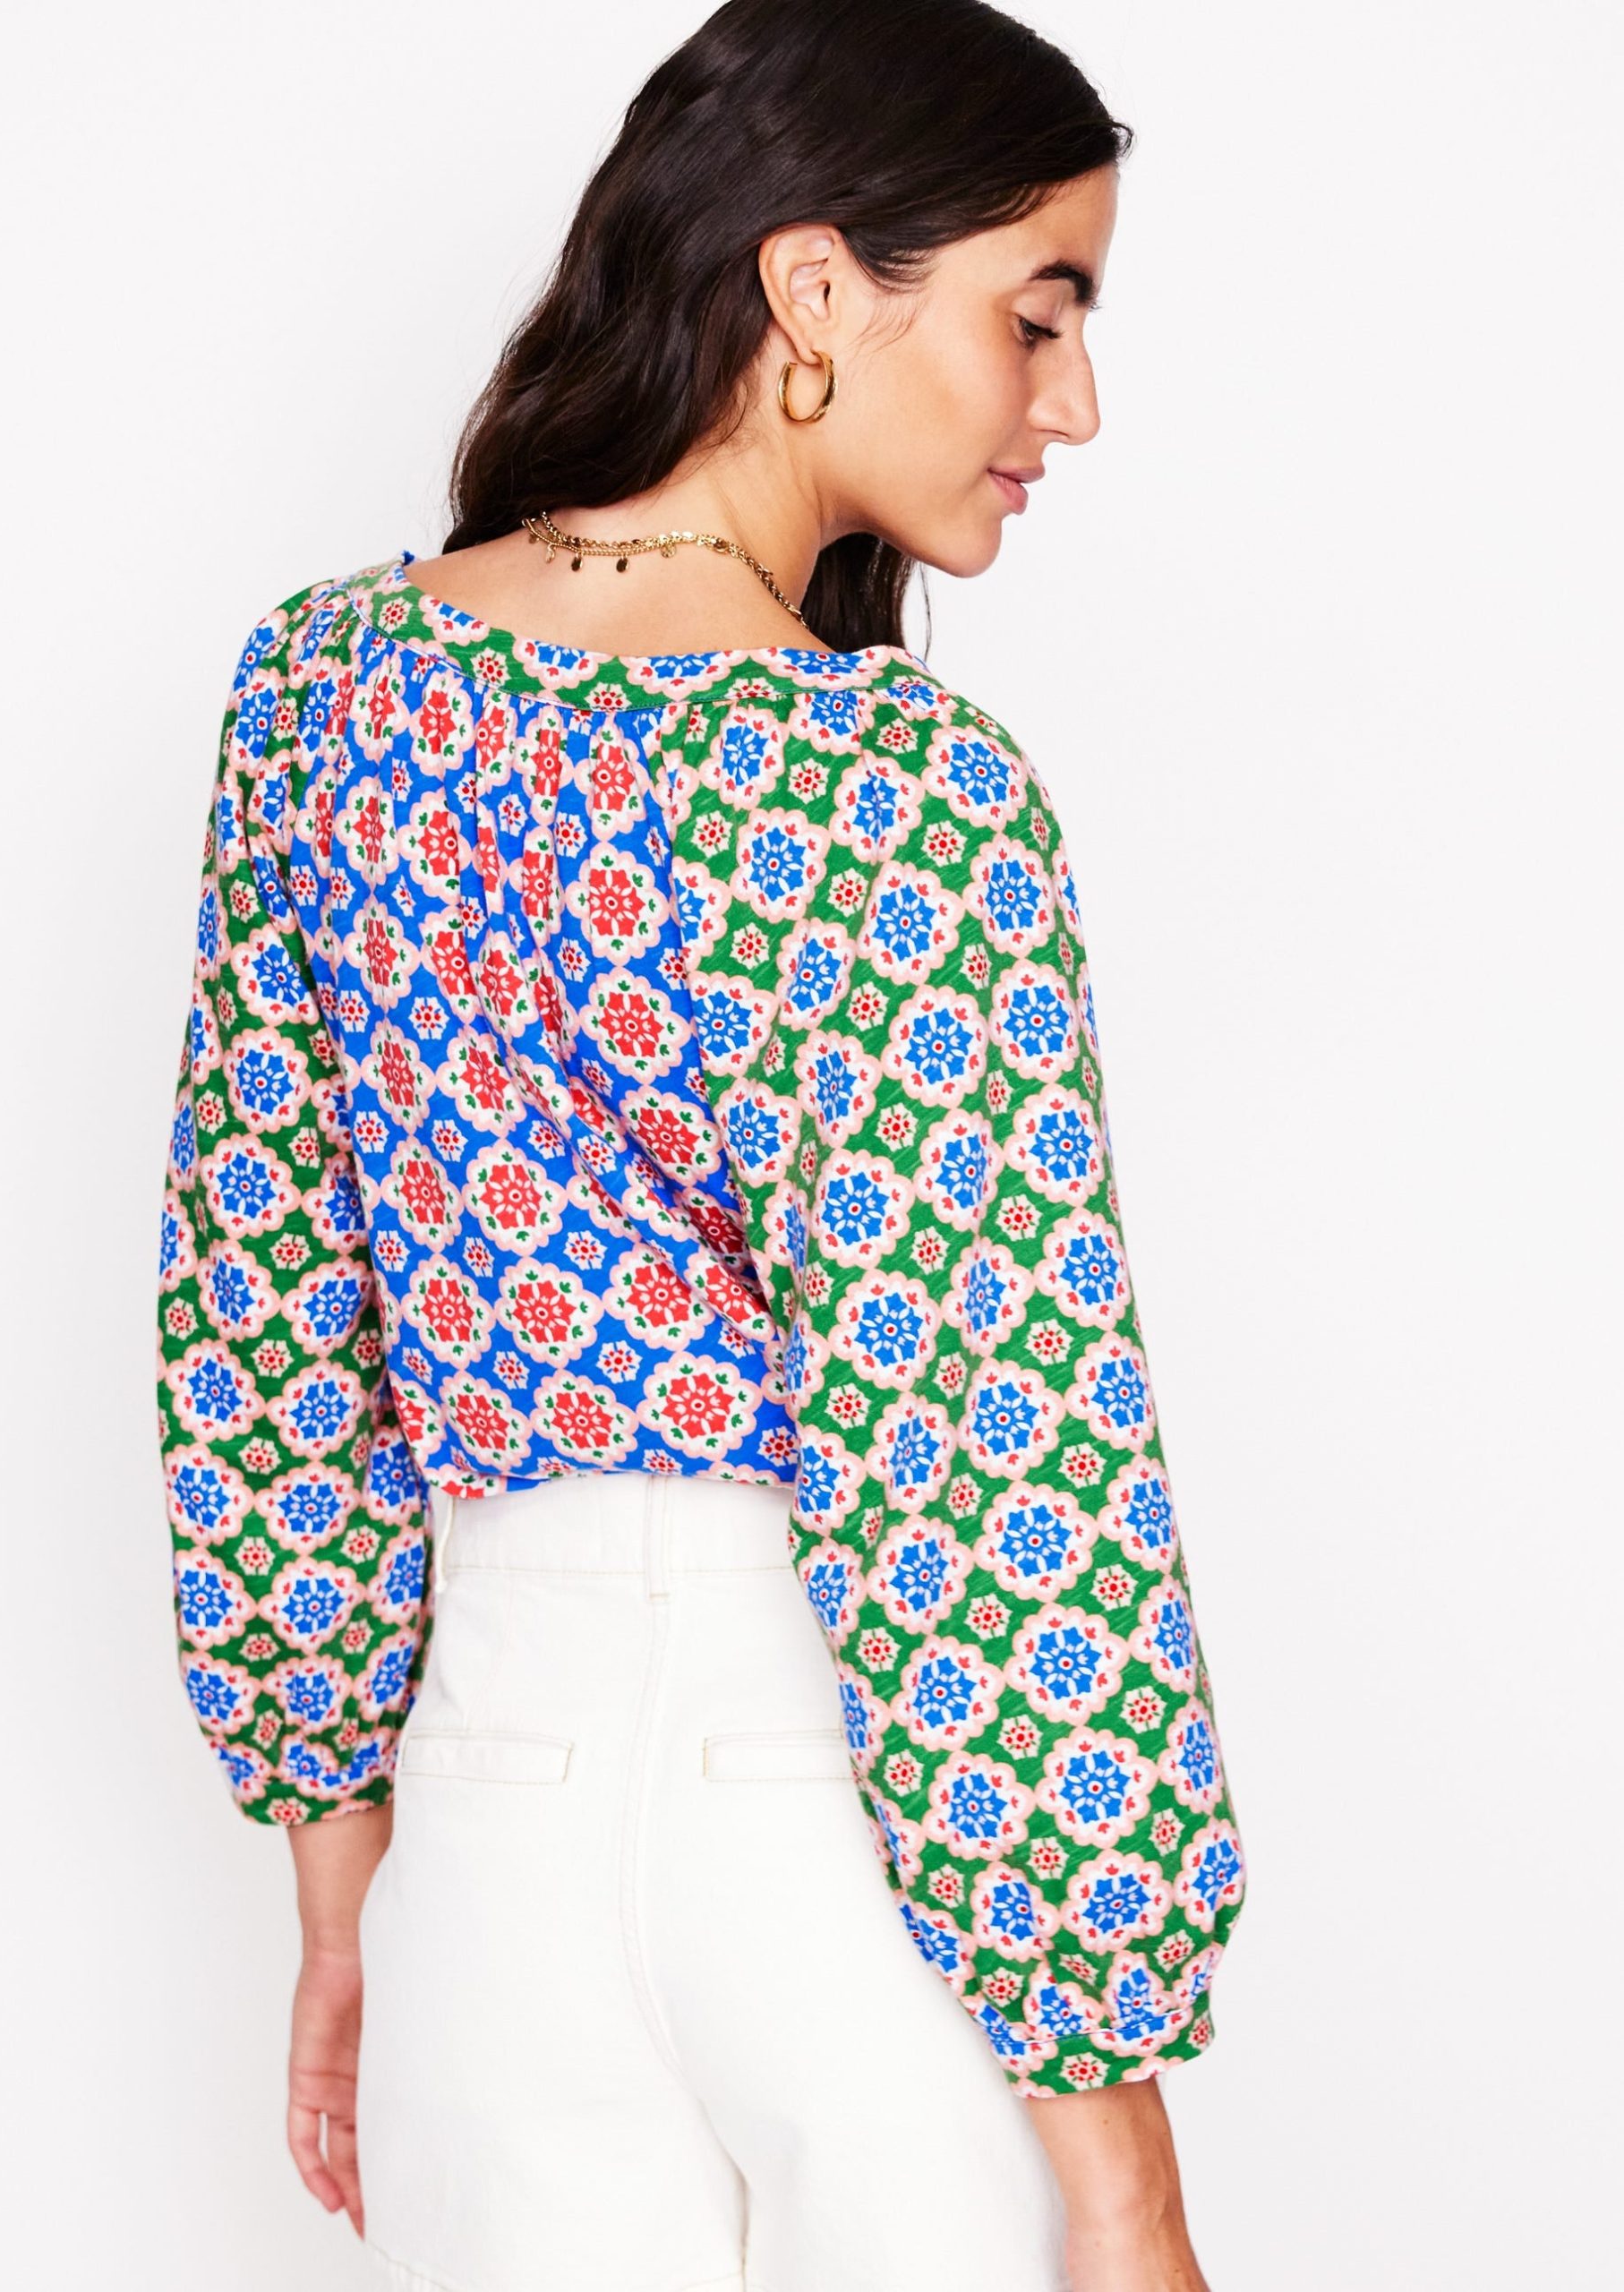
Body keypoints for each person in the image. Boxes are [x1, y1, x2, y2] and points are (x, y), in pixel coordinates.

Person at [154, 4, 1248, 2287]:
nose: (1072, 406)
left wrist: (345, 1902)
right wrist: (1127, 2176)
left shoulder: (323, 696)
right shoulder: (896, 799)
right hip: (839, 1809)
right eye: (1038, 314)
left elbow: (263, 1338)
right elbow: (990, 1479)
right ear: (817, 286)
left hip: (487, 1817)